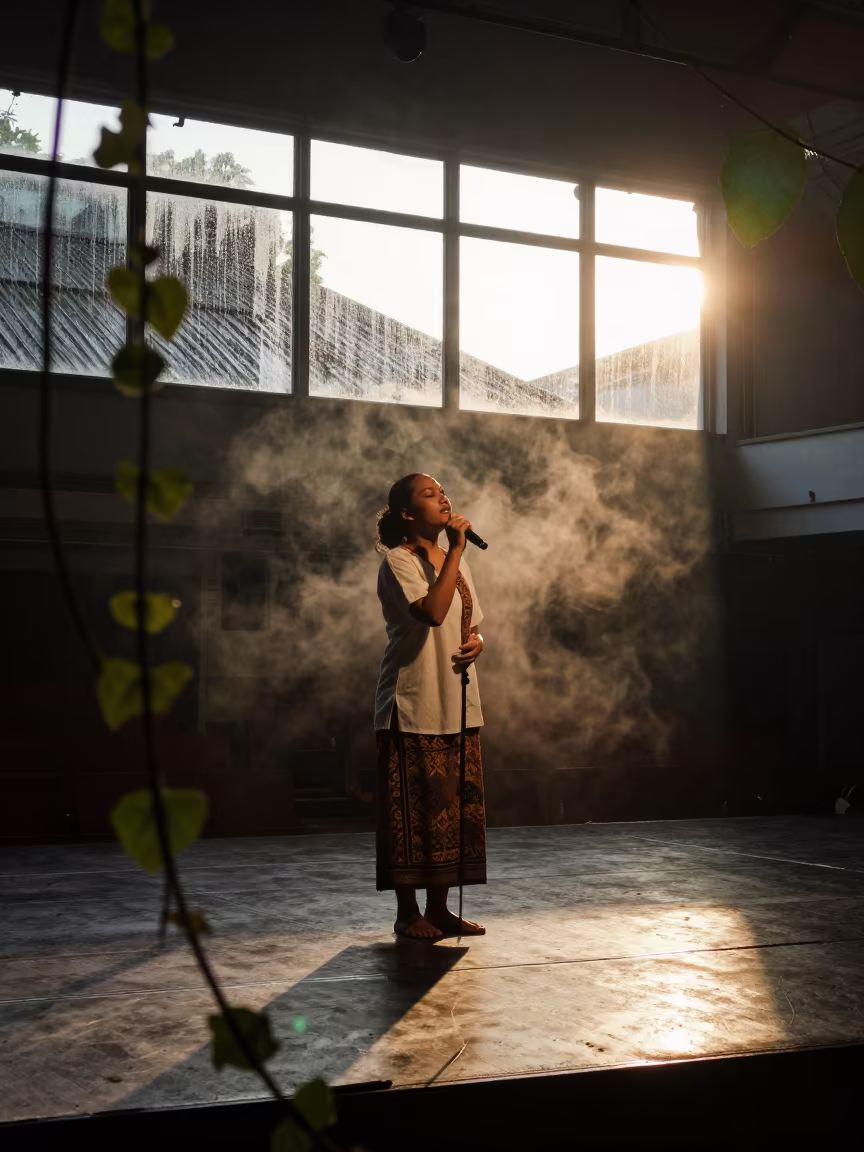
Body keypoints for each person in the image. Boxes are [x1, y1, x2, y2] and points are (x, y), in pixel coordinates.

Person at [374, 473, 487, 940]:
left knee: (452, 809)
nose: (443, 498)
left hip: (458, 699)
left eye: (443, 492)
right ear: (407, 514)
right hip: (414, 699)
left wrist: (478, 641)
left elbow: (468, 622)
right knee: (413, 810)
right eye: (429, 494)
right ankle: (407, 913)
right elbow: (433, 613)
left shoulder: (454, 560)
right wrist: (456, 553)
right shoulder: (398, 561)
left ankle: (440, 909)